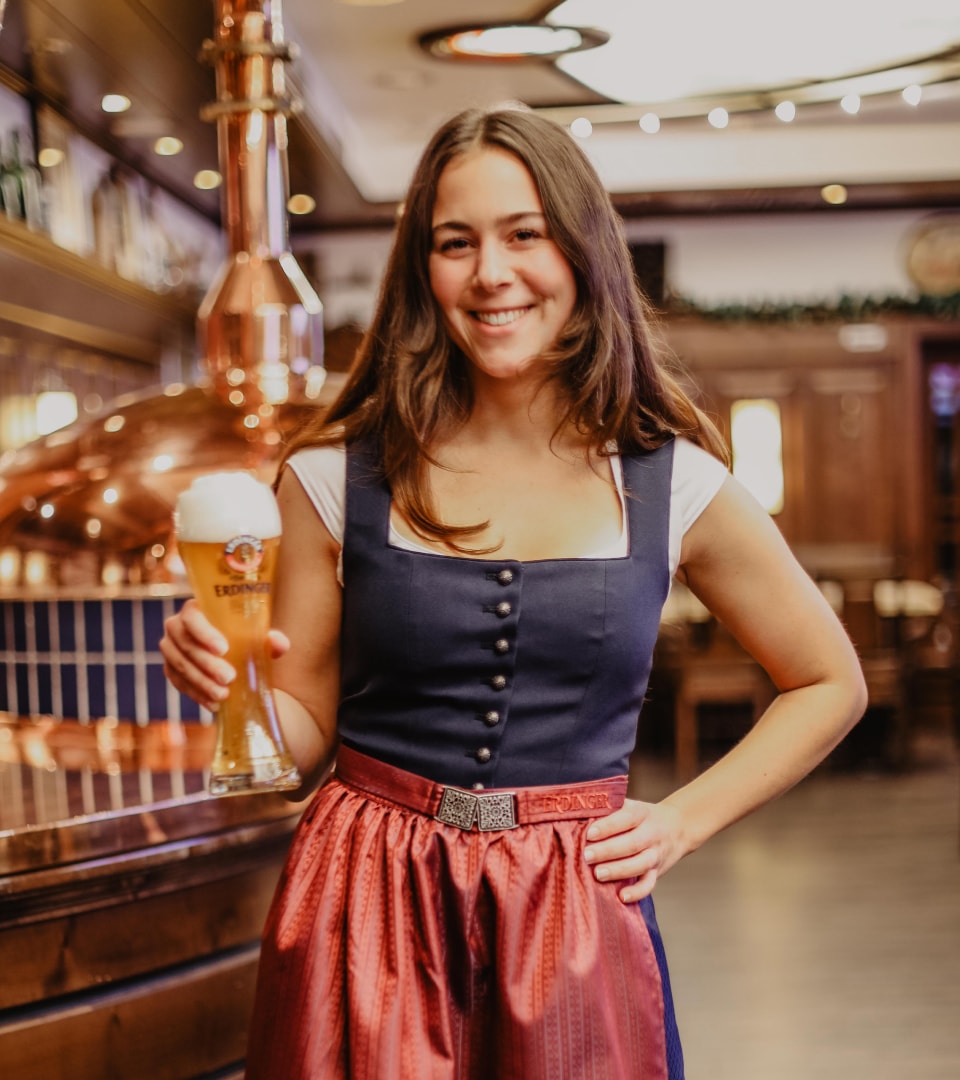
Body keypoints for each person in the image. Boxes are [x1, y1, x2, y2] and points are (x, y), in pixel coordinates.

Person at [161, 104, 867, 1080]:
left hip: (571, 904)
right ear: (423, 269)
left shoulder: (672, 480)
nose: (491, 273)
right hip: (365, 898)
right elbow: (295, 746)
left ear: (581, 253)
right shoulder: (333, 473)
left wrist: (681, 822)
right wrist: (235, 688)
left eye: (524, 234)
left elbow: (829, 680)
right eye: (457, 242)